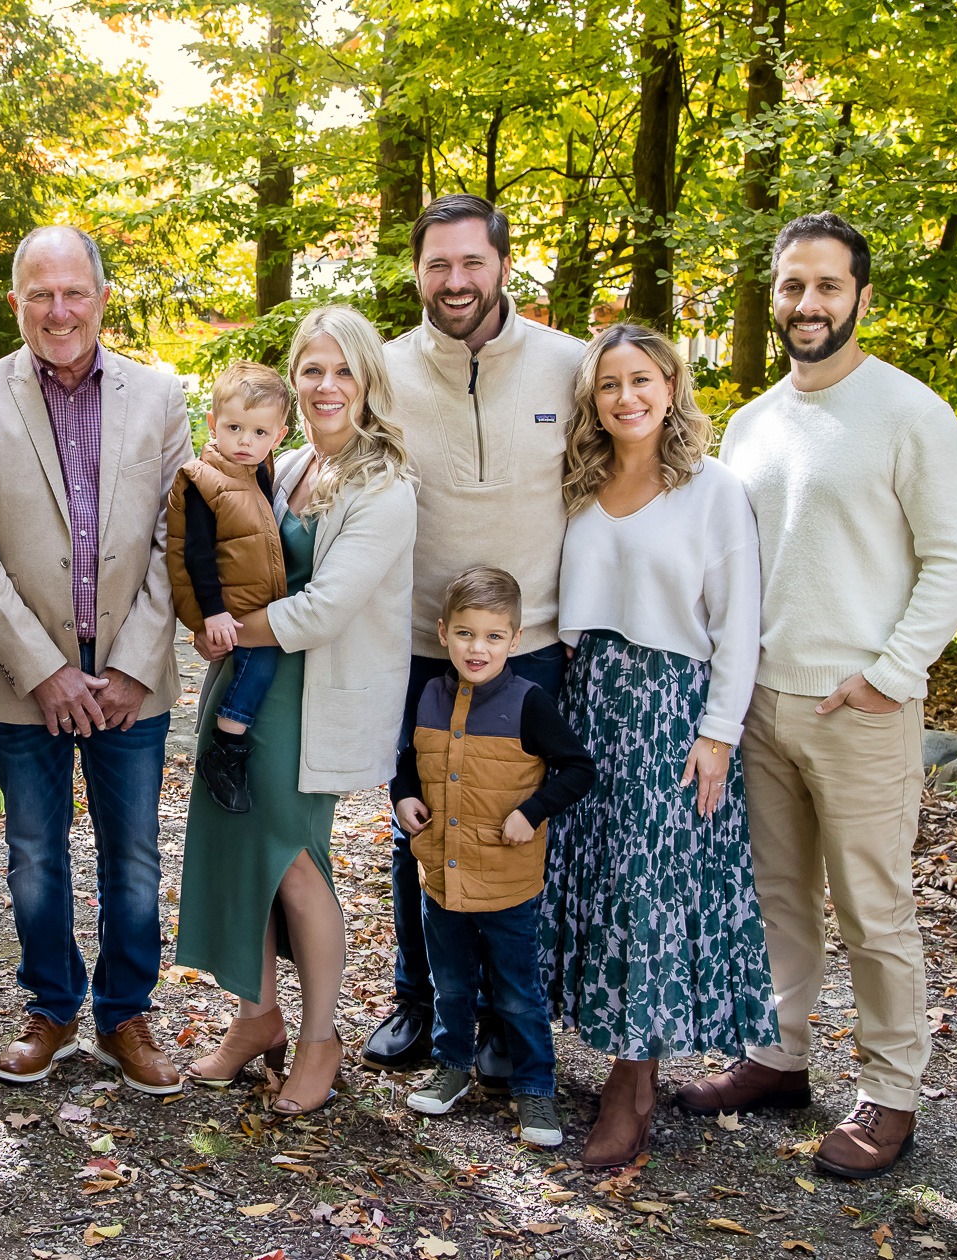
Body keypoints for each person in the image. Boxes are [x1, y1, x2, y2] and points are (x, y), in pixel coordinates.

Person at [685, 213, 957, 1180]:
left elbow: (955, 558)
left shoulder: (910, 413)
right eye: (791, 286)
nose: (807, 304)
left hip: (860, 711)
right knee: (778, 900)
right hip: (765, 702)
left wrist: (889, 675)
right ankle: (779, 1057)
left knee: (873, 910)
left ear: (860, 294)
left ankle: (891, 1094)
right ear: (773, 295)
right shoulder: (752, 423)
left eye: (826, 287)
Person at [0, 226, 192, 1096]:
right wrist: (43, 668)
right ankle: (51, 1006)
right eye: (39, 294)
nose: (58, 310)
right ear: (16, 302)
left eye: (74, 292)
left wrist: (129, 666)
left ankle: (125, 1016)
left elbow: (176, 540)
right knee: (34, 852)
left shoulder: (159, 397)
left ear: (102, 296)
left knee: (135, 854)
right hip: (25, 677)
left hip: (131, 677)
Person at [540, 323, 779, 1169]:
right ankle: (595, 1049)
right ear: (591, 400)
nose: (626, 398)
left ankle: (631, 1083)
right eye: (609, 386)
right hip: (589, 699)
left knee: (649, 890)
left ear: (671, 387)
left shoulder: (712, 489)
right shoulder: (577, 482)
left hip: (670, 710)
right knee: (599, 882)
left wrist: (718, 732)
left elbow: (739, 622)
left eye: (642, 380)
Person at [176, 305, 416, 1115]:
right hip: (247, 685)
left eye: (342, 369)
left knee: (295, 862)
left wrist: (222, 631)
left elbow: (325, 608)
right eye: (311, 369)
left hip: (306, 702)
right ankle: (257, 1017)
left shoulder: (383, 484)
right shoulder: (285, 467)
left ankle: (321, 1039)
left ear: (368, 382)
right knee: (246, 853)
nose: (325, 385)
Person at [369, 193, 586, 1078]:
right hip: (420, 641)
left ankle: (505, 1019)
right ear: (417, 271)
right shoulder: (383, 371)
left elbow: (603, 487)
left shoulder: (570, 366)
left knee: (509, 826)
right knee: (419, 823)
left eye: (471, 263)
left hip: (529, 646)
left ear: (503, 263)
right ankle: (419, 1003)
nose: (455, 281)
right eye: (437, 265)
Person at [390, 567, 595, 1145]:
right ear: (441, 633)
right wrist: (403, 795)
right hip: (442, 877)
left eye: (493, 637)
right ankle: (451, 1067)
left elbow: (578, 769)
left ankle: (535, 1091)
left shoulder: (529, 703)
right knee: (449, 983)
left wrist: (530, 811)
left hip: (507, 881)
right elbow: (406, 760)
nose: (477, 649)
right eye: (464, 634)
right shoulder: (430, 695)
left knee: (516, 991)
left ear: (517, 638)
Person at [166, 360, 292, 814]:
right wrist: (212, 612)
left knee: (258, 670)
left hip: (259, 597)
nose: (245, 441)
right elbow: (195, 552)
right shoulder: (204, 480)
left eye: (260, 433)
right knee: (256, 666)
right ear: (213, 424)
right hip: (234, 605)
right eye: (235, 427)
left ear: (278, 436)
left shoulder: (260, 471)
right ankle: (225, 748)